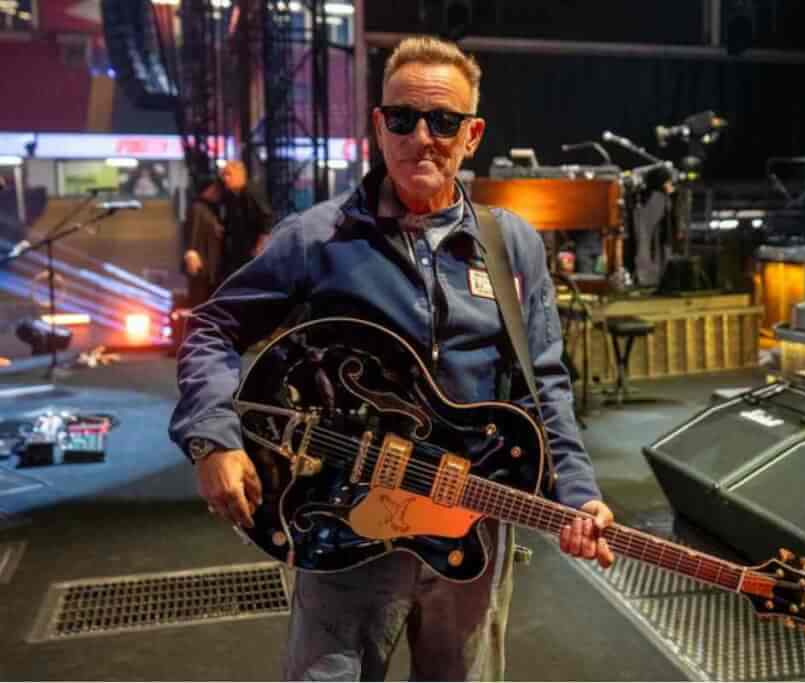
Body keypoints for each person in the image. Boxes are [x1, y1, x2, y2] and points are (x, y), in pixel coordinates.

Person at [168, 35, 613, 681]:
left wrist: (576, 492)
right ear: (379, 128)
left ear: (472, 135)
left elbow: (543, 383)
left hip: (469, 529)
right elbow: (212, 328)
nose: (421, 137)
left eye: (443, 121)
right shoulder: (317, 237)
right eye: (402, 119)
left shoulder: (511, 244)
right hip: (341, 525)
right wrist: (212, 438)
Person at [218, 160, 272, 281]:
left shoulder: (251, 191)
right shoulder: (230, 195)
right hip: (238, 249)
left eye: (229, 174)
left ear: (240, 174)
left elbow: (267, 217)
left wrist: (260, 245)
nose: (225, 179)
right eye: (224, 175)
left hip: (253, 248)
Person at [181, 176, 224, 307]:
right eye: (214, 189)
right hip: (201, 262)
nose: (217, 193)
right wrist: (192, 253)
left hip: (208, 262)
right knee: (200, 296)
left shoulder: (209, 208)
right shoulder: (198, 208)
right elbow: (193, 232)